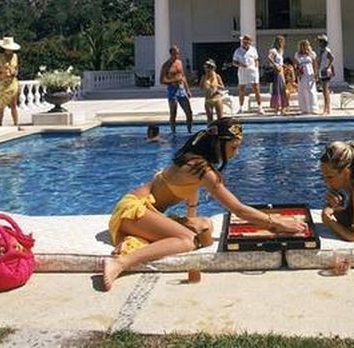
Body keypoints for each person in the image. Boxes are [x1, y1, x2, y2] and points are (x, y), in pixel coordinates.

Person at [103, 117, 307, 290]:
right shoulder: (202, 170)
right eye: (234, 147)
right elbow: (237, 209)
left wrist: (190, 219)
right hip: (132, 212)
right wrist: (276, 223)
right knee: (188, 241)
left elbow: (189, 195)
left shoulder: (193, 160)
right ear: (218, 145)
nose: (237, 152)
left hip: (139, 209)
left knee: (203, 225)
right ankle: (121, 262)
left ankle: (136, 241)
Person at [159, 45, 193, 134]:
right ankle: (173, 132)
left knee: (189, 112)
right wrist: (173, 81)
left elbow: (183, 77)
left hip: (181, 89)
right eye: (175, 54)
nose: (177, 55)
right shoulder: (166, 66)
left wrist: (187, 89)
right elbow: (162, 80)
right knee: (173, 113)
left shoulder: (179, 63)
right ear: (171, 54)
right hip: (172, 90)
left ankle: (189, 131)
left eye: (178, 54)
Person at [0, 36, 21, 127]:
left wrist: (15, 72)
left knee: (13, 104)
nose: (9, 50)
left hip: (12, 82)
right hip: (2, 83)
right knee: (1, 105)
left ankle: (16, 124)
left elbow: (17, 69)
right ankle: (0, 124)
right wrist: (1, 70)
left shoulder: (15, 56)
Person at [232, 34, 263, 114]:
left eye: (247, 40)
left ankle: (260, 108)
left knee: (256, 88)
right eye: (244, 40)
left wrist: (256, 68)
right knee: (242, 89)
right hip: (242, 71)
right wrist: (241, 65)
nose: (245, 42)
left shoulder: (253, 50)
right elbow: (234, 62)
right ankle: (241, 108)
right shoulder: (238, 51)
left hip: (253, 71)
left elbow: (256, 59)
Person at [294, 39, 318, 114]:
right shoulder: (297, 54)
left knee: (311, 91)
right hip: (302, 73)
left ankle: (313, 108)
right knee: (302, 90)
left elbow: (315, 64)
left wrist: (316, 73)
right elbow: (296, 64)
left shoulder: (312, 54)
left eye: (306, 45)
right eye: (303, 45)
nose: (304, 47)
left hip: (310, 72)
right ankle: (304, 109)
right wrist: (297, 71)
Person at [267, 35, 289, 115]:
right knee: (277, 89)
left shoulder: (281, 51)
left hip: (281, 71)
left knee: (282, 89)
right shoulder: (273, 50)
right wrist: (275, 64)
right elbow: (269, 57)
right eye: (280, 41)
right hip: (276, 71)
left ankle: (283, 108)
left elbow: (281, 63)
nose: (281, 43)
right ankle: (277, 108)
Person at [199, 59, 226, 123]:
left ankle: (220, 130)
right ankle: (210, 130)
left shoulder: (217, 76)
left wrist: (217, 86)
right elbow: (201, 87)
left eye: (209, 68)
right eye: (206, 68)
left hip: (217, 99)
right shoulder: (203, 77)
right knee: (210, 119)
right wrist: (205, 83)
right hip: (208, 99)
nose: (207, 70)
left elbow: (223, 87)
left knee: (220, 118)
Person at [316, 34, 335, 115]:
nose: (319, 43)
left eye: (320, 41)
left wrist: (328, 67)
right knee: (324, 91)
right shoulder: (321, 50)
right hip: (321, 71)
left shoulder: (327, 50)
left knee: (325, 91)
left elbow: (332, 58)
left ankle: (326, 109)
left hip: (325, 72)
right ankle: (327, 109)